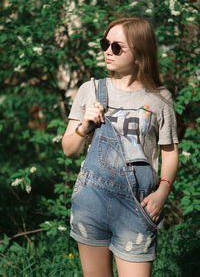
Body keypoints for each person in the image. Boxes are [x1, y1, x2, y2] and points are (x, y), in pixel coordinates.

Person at [62, 17, 179, 277]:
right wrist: (84, 126)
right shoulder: (89, 90)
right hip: (91, 202)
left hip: (136, 208)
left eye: (117, 47)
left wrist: (162, 192)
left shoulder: (160, 99)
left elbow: (170, 153)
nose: (107, 51)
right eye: (105, 43)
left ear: (139, 54)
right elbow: (68, 149)